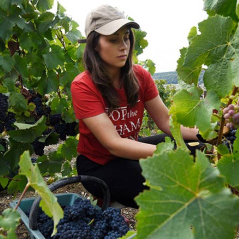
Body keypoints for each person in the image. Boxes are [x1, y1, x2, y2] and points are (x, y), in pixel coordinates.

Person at [71, 5, 201, 208]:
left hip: (129, 149)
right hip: (99, 165)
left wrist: (204, 134)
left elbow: (167, 122)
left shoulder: (140, 76)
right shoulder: (83, 85)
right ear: (95, 44)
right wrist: (169, 154)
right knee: (170, 186)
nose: (123, 45)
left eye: (126, 37)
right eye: (113, 39)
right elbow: (113, 144)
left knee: (197, 150)